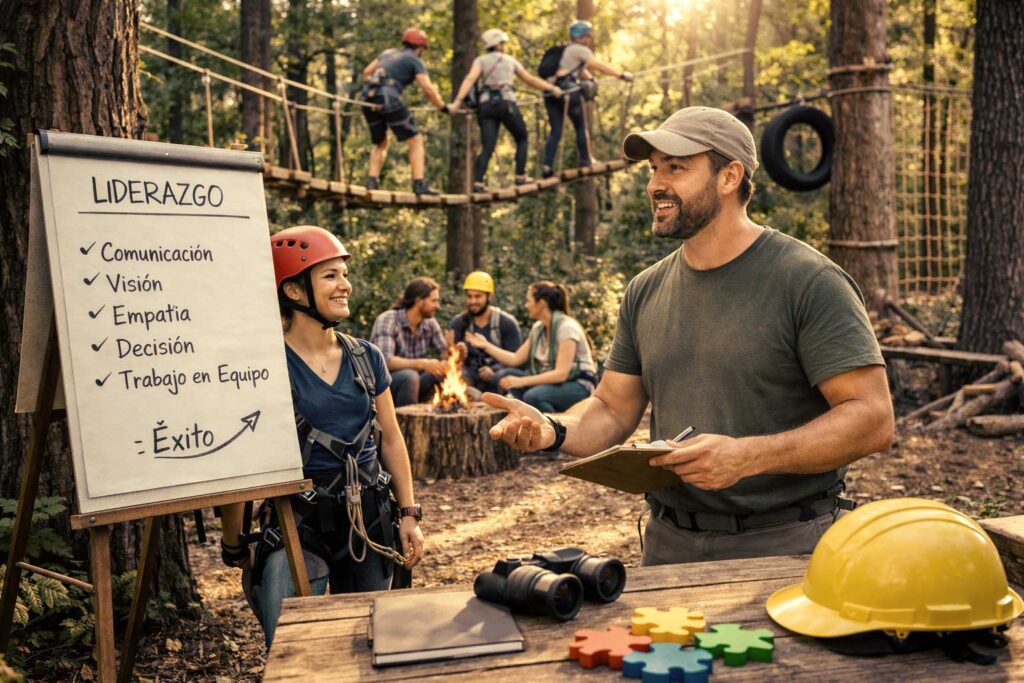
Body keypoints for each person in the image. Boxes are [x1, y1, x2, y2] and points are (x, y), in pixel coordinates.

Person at [485, 106, 894, 565]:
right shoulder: (645, 290)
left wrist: (748, 457)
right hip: (669, 543)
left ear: (729, 176)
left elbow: (873, 419)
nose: (656, 184)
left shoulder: (808, 280)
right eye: (654, 168)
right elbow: (611, 410)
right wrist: (552, 428)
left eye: (676, 167)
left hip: (788, 542)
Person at [219, 226, 424, 647]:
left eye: (343, 273)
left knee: (372, 645)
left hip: (368, 522)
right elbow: (243, 462)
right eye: (330, 276)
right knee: (292, 650)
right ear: (294, 291)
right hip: (298, 523)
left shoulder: (366, 358)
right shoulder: (265, 367)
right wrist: (235, 544)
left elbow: (391, 440)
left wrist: (408, 514)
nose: (345, 284)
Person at [450, 29, 564, 192]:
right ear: (498, 44)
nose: (504, 46)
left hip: (486, 106)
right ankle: (520, 177)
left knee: (488, 145)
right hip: (506, 103)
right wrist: (552, 88)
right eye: (503, 43)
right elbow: (530, 79)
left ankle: (478, 183)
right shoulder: (509, 61)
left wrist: (457, 102)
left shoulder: (480, 61)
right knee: (522, 137)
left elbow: (470, 79)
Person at [466, 280, 597, 416]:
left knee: (533, 396)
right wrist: (485, 345)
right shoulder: (538, 329)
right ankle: (528, 420)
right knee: (506, 376)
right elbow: (515, 359)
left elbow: (561, 374)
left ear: (541, 304)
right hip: (554, 383)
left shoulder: (566, 327)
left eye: (528, 301)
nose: (526, 305)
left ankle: (557, 428)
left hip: (578, 384)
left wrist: (522, 381)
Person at [360, 27, 449, 195]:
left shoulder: (387, 53)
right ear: (421, 48)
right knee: (415, 141)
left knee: (380, 142)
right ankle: (419, 184)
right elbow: (427, 88)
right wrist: (443, 107)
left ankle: (372, 182)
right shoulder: (414, 60)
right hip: (389, 98)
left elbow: (366, 72)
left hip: (367, 98)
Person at [541, 20, 634, 178]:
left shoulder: (566, 51)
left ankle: (547, 166)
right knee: (581, 126)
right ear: (583, 36)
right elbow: (598, 65)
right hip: (569, 91)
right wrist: (621, 74)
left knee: (555, 131)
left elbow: (580, 70)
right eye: (589, 36)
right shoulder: (580, 49)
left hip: (551, 92)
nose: (589, 39)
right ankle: (586, 160)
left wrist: (591, 80)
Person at [370, 276, 451, 406]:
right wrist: (422, 363)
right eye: (434, 301)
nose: (438, 306)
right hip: (383, 385)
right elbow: (385, 361)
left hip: (414, 383)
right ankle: (407, 424)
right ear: (419, 301)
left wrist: (454, 351)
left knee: (439, 373)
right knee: (409, 376)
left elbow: (444, 352)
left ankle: (437, 417)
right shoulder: (388, 320)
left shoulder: (430, 323)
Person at [446, 271, 523, 394]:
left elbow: (517, 359)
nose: (472, 301)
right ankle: (468, 396)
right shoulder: (459, 323)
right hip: (470, 374)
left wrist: (494, 369)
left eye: (478, 296)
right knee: (456, 373)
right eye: (469, 296)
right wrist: (453, 350)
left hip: (496, 375)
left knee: (502, 376)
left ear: (489, 297)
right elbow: (452, 359)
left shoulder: (506, 323)